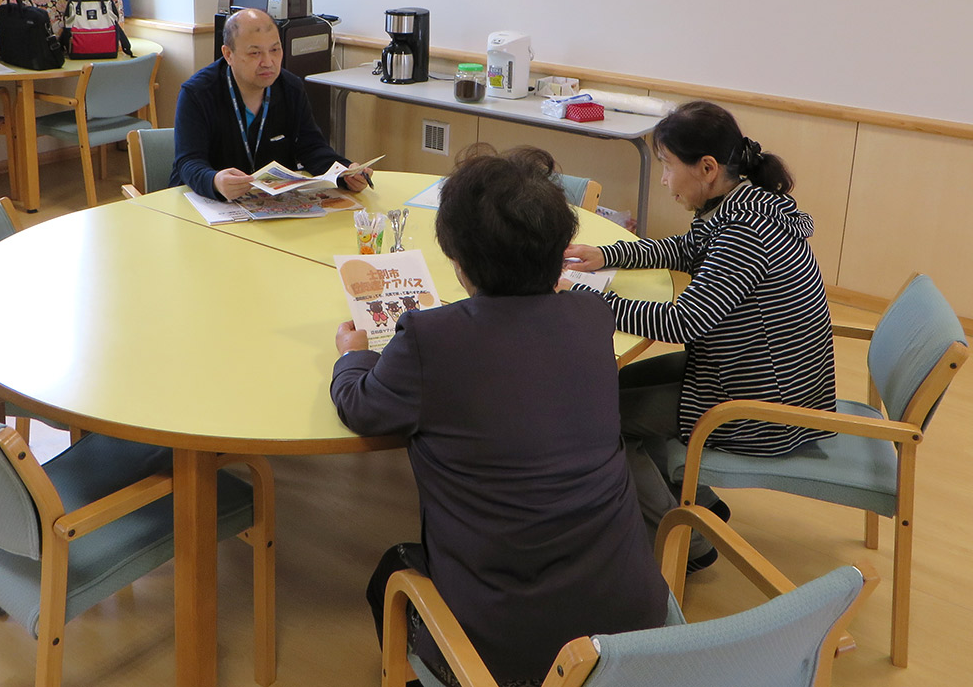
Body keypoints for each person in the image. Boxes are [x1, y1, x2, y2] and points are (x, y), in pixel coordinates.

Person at [331, 147, 668, 687]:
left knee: (390, 577)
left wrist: (353, 355)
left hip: (511, 651)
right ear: (558, 254)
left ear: (459, 262)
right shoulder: (590, 314)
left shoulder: (430, 338)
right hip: (630, 616)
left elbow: (361, 407)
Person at [564, 100, 837, 571]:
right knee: (605, 391)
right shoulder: (748, 202)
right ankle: (702, 506)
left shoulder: (746, 230)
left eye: (668, 167)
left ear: (707, 168)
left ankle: (688, 544)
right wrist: (608, 255)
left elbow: (683, 323)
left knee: (598, 419)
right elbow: (690, 249)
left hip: (761, 403)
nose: (665, 180)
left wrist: (587, 302)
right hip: (761, 374)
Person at [169, 7, 370, 200]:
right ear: (228, 54)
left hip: (267, 205)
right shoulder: (197, 93)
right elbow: (188, 162)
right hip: (205, 205)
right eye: (255, 53)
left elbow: (312, 148)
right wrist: (214, 181)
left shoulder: (290, 87)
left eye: (275, 50)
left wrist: (345, 172)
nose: (268, 62)